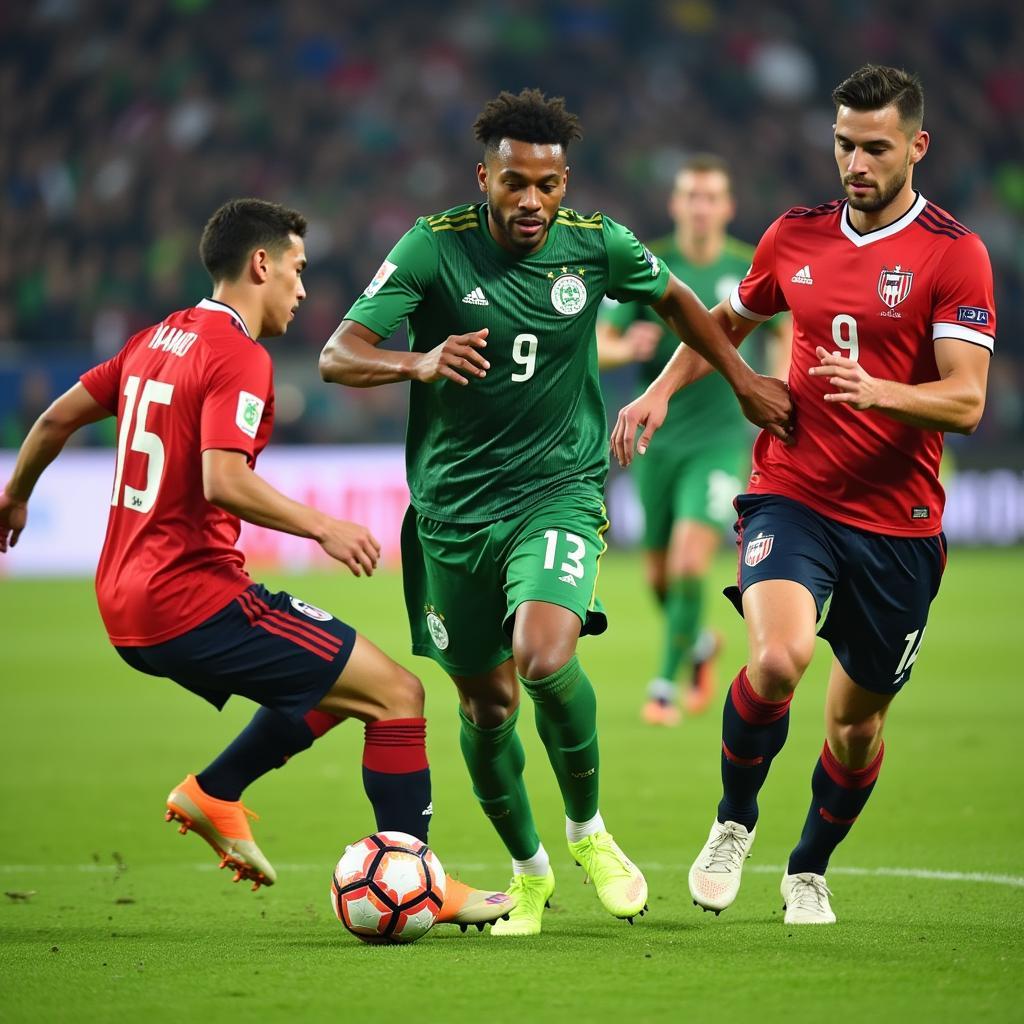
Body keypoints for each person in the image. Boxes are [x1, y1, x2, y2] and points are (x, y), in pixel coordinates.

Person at [319, 89, 791, 935]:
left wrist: (744, 377)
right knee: (487, 707)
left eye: (546, 184)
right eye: (513, 184)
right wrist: (418, 362)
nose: (531, 201)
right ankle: (529, 872)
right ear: (484, 179)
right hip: (453, 514)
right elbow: (338, 354)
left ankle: (589, 831)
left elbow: (681, 300)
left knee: (543, 657)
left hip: (558, 492)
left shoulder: (596, 244)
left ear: (564, 181)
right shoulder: (433, 249)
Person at [0, 198, 513, 931]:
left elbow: (54, 418)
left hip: (124, 602)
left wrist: (15, 496)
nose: (303, 290)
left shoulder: (156, 339)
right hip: (193, 600)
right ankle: (417, 879)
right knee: (399, 694)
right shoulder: (239, 355)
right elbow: (224, 480)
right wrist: (323, 527)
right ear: (261, 264)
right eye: (297, 271)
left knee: (348, 684)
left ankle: (217, 790)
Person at [611, 65, 994, 924]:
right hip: (795, 492)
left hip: (899, 524)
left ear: (916, 148)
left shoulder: (953, 252)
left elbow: (966, 400)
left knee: (856, 729)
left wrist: (883, 391)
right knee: (778, 660)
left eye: (876, 147)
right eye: (844, 145)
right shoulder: (794, 236)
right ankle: (733, 821)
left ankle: (809, 866)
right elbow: (728, 322)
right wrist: (670, 390)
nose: (855, 163)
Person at [597, 154, 792, 726]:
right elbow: (600, 340)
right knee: (658, 576)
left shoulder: (748, 265)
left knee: (687, 563)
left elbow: (781, 333)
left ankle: (662, 687)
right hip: (659, 441)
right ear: (675, 204)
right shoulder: (649, 265)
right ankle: (701, 646)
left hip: (720, 441)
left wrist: (775, 388)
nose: (701, 207)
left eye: (711, 198)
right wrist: (622, 349)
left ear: (726, 207)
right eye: (691, 196)